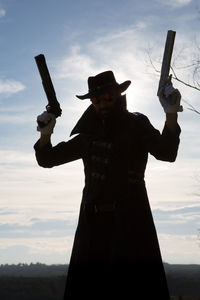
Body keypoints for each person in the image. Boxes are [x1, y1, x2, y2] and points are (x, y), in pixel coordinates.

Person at [34, 71, 182, 299]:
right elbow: (47, 159)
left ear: (118, 94)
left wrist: (171, 113)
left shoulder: (137, 124)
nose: (102, 103)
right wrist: (46, 132)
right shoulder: (88, 135)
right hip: (91, 228)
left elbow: (167, 152)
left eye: (107, 98)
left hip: (131, 225)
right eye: (96, 100)